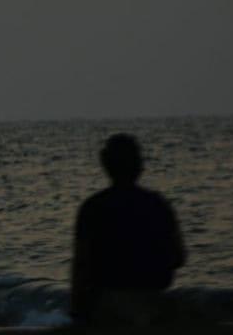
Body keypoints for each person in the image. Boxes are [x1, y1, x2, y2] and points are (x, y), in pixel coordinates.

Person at [70, 133, 185, 326]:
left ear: (105, 164)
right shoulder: (157, 204)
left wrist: (77, 311)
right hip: (152, 302)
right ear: (139, 165)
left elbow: (80, 266)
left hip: (106, 307)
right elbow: (178, 257)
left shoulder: (93, 208)